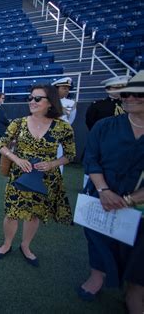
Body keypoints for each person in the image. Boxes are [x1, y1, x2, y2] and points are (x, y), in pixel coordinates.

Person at [78, 71, 144, 314]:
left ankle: (135, 291)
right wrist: (104, 190)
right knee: (98, 239)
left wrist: (129, 200)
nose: (129, 98)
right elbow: (92, 159)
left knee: (138, 251)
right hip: (101, 195)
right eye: (126, 93)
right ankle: (97, 277)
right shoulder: (105, 125)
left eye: (138, 95)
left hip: (138, 204)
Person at [0, 85, 76, 267]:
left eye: (38, 99)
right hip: (19, 177)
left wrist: (52, 164)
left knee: (34, 215)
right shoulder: (18, 122)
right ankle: (7, 244)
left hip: (44, 178)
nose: (32, 101)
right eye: (30, 97)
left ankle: (25, 246)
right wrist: (15, 158)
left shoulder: (63, 127)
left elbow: (70, 155)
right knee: (11, 213)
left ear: (50, 103)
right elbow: (1, 144)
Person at [52, 77, 76, 173]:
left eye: (68, 88)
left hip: (60, 133)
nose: (67, 91)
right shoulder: (47, 101)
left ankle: (58, 178)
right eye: (64, 88)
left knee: (59, 157)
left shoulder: (71, 103)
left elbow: (71, 119)